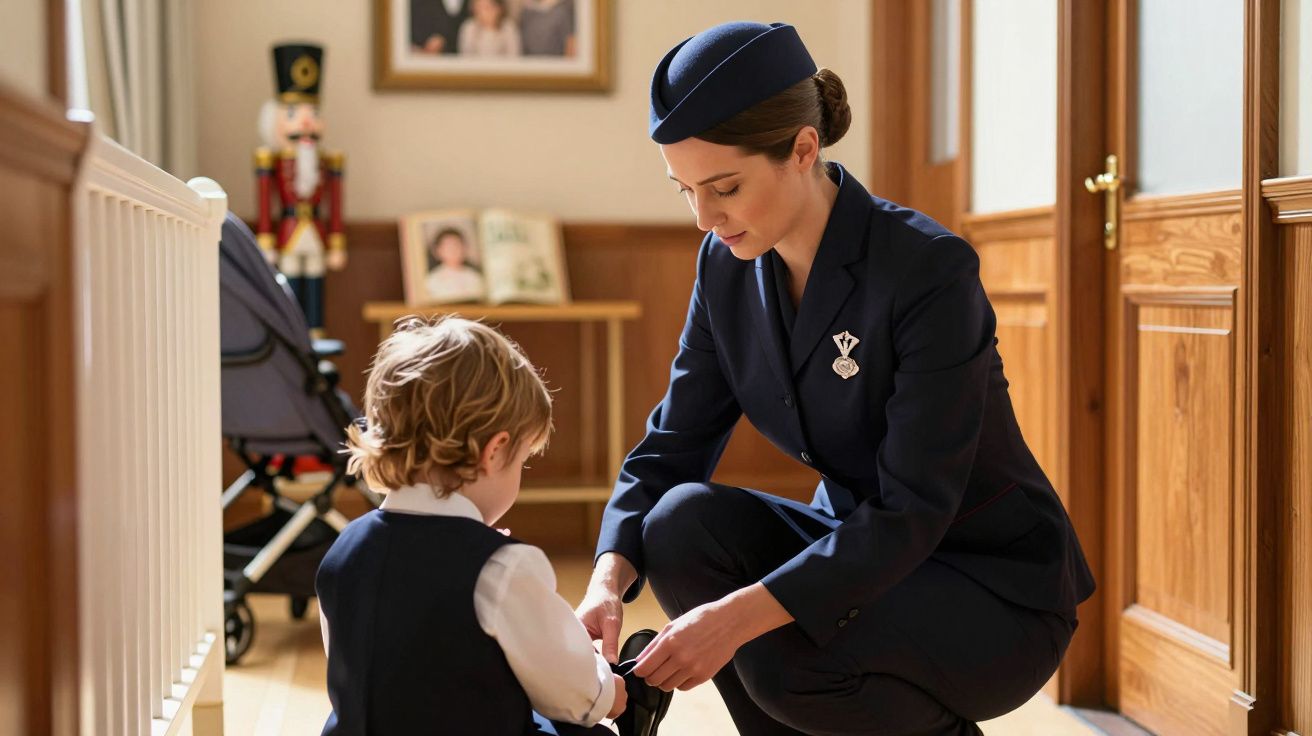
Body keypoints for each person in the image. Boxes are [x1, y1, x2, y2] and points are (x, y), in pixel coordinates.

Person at [574, 21, 1096, 736]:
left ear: (803, 149)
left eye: (724, 187)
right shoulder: (726, 267)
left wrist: (734, 617)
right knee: (677, 526)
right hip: (858, 555)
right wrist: (608, 577)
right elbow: (675, 445)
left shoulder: (926, 270)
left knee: (787, 661)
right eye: (685, 190)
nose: (704, 217)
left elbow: (915, 508)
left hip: (988, 586)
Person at [315, 316, 625, 735]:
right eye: (521, 461)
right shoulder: (501, 567)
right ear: (494, 452)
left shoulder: (343, 549)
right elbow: (577, 697)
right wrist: (609, 686)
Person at [425, 227, 486, 302]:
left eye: (456, 245)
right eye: (448, 247)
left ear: (464, 248)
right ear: (438, 251)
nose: (453, 250)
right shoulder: (431, 280)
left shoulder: (475, 277)